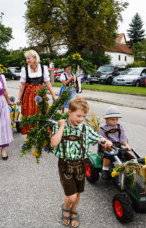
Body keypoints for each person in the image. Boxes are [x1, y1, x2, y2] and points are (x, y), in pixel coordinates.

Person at [50, 97, 112, 227]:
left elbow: (98, 138)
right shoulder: (60, 126)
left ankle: (73, 210)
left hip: (80, 164)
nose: (81, 119)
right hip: (65, 165)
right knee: (71, 196)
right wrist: (61, 126)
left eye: (83, 116)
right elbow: (54, 142)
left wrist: (105, 141)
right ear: (70, 112)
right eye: (78, 115)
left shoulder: (85, 128)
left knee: (78, 193)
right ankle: (66, 207)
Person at [17, 50, 56, 134]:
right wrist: (19, 98)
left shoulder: (43, 68)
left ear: (35, 58)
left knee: (42, 112)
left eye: (29, 58)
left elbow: (48, 83)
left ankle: (42, 133)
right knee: (29, 114)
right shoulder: (25, 69)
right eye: (26, 59)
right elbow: (22, 85)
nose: (27, 60)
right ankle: (30, 134)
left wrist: (53, 95)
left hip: (40, 95)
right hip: (28, 96)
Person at [99, 106, 135, 180]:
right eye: (112, 119)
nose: (115, 121)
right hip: (107, 146)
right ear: (106, 119)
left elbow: (123, 137)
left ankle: (133, 166)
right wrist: (108, 145)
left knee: (129, 156)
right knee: (108, 153)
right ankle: (105, 169)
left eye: (116, 119)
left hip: (118, 146)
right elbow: (101, 139)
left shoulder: (119, 126)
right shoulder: (103, 128)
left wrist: (126, 145)